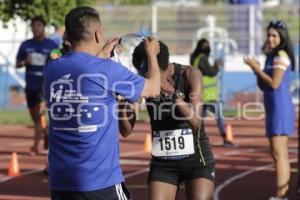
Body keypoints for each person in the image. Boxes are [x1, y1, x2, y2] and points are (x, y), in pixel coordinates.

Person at [44, 6, 161, 200]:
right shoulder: (107, 70)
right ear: (98, 34)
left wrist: (101, 57)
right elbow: (153, 89)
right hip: (100, 181)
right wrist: (152, 54)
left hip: (62, 181)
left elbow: (84, 72)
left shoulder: (52, 69)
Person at [132, 41, 215, 200]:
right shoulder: (143, 80)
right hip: (163, 164)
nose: (149, 79)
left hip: (197, 161)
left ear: (162, 66)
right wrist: (126, 102)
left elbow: (196, 121)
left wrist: (173, 93)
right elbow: (126, 129)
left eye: (151, 74)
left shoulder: (190, 74)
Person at [244, 20, 295, 200]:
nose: (271, 39)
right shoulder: (271, 56)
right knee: (276, 152)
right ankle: (282, 195)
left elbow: (275, 83)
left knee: (279, 152)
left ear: (282, 37)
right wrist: (256, 70)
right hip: (273, 106)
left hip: (280, 106)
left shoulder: (281, 55)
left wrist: (256, 68)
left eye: (274, 35)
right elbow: (263, 85)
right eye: (269, 35)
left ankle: (281, 196)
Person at [16, 16, 58, 154]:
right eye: (34, 26)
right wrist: (24, 62)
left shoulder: (51, 45)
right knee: (35, 119)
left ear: (44, 28)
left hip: (44, 86)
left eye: (39, 26)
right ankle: (46, 133)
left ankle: (35, 147)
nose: (36, 28)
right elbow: (17, 64)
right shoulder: (26, 45)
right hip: (30, 86)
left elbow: (58, 62)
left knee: (40, 116)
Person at [190, 38, 236, 147]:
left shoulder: (195, 58)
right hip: (208, 94)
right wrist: (216, 65)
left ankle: (196, 139)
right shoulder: (202, 58)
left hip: (202, 93)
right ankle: (225, 139)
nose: (208, 48)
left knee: (200, 117)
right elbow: (210, 72)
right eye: (206, 45)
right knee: (218, 116)